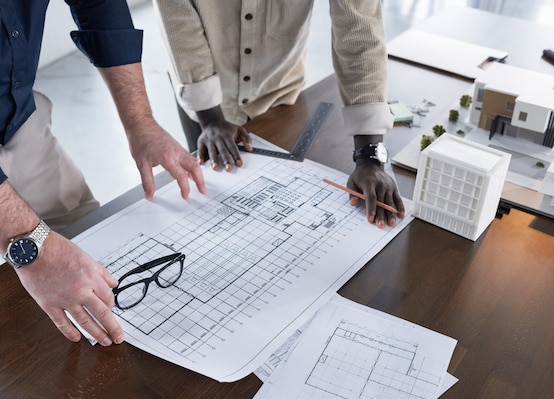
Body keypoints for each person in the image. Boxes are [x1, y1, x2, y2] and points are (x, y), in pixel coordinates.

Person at [0, 1, 206, 346]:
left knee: (96, 258)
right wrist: (35, 247)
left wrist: (140, 121)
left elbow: (99, 4)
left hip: (21, 122)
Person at [154, 0, 406, 228]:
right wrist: (210, 119)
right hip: (204, 90)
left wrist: (370, 157)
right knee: (216, 205)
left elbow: (359, 31)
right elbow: (179, 24)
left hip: (280, 91)